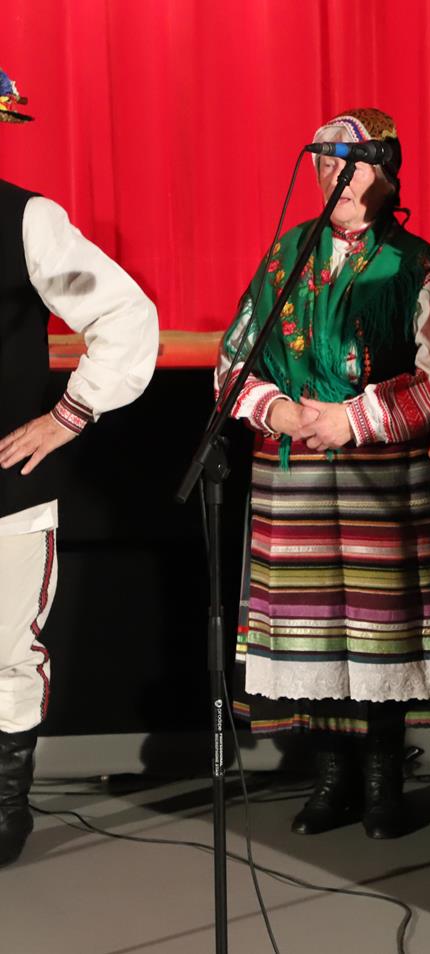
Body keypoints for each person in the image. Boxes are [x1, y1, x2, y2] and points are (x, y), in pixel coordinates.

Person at [218, 108, 430, 840]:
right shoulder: (287, 256)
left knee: (379, 629)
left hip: (382, 474)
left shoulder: (414, 263)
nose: (338, 177)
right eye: (325, 163)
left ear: (388, 173)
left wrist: (352, 419)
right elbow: (233, 360)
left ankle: (383, 778)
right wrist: (282, 412)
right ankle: (330, 777)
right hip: (295, 471)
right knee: (311, 627)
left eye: (354, 164)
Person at [0, 67, 158, 866]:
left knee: (3, 653)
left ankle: (3, 806)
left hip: (4, 488)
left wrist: (69, 414)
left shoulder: (26, 220)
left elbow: (125, 314)